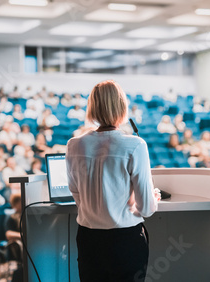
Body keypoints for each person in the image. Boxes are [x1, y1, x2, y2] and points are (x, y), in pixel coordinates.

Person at [66, 80, 159, 282]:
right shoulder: (135, 145)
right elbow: (147, 209)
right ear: (121, 106)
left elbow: (77, 194)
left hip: (89, 239)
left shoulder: (74, 145)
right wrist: (144, 200)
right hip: (125, 241)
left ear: (92, 107)